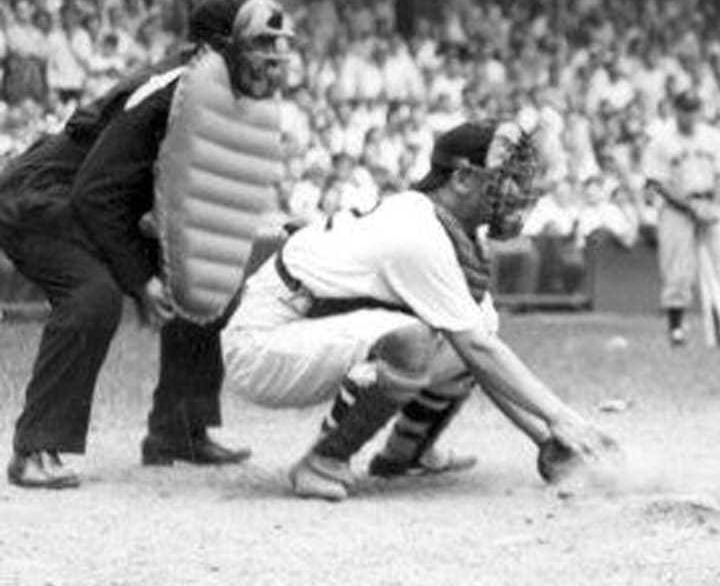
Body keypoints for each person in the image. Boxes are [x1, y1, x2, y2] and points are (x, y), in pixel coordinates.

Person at [221, 122, 619, 501]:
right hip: (263, 343)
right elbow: (478, 350)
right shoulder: (416, 230)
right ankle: (324, 461)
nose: (516, 190)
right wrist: (564, 417)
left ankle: (404, 453)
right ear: (462, 179)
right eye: (504, 176)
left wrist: (548, 438)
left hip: (312, 333)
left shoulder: (451, 232)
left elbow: (483, 354)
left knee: (475, 332)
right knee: (416, 341)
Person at [1, 0, 290, 489]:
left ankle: (179, 431)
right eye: (261, 42)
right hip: (40, 198)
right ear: (220, 45)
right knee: (92, 297)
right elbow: (95, 191)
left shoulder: (216, 93)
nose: (274, 55)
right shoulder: (169, 92)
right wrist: (140, 279)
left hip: (95, 202)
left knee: (206, 285)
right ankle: (35, 448)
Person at [641, 91, 720, 347]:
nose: (690, 114)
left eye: (694, 109)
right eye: (685, 109)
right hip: (677, 209)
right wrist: (690, 207)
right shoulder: (661, 140)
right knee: (677, 269)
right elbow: (656, 181)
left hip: (711, 204)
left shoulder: (714, 137)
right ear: (676, 110)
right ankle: (676, 328)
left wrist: (713, 205)